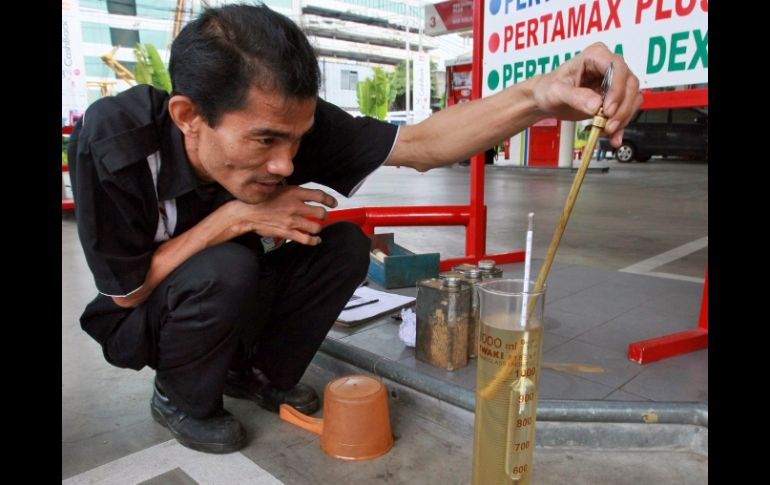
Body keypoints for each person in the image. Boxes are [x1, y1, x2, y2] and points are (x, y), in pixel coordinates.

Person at [68, 3, 641, 454]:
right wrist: (235, 217)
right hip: (141, 314)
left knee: (341, 244)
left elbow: (421, 144)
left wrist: (539, 94)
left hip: (229, 294)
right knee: (228, 262)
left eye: (297, 138)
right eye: (266, 140)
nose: (286, 164)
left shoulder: (287, 121)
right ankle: (180, 397)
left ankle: (256, 374)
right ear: (189, 117)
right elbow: (125, 289)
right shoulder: (116, 143)